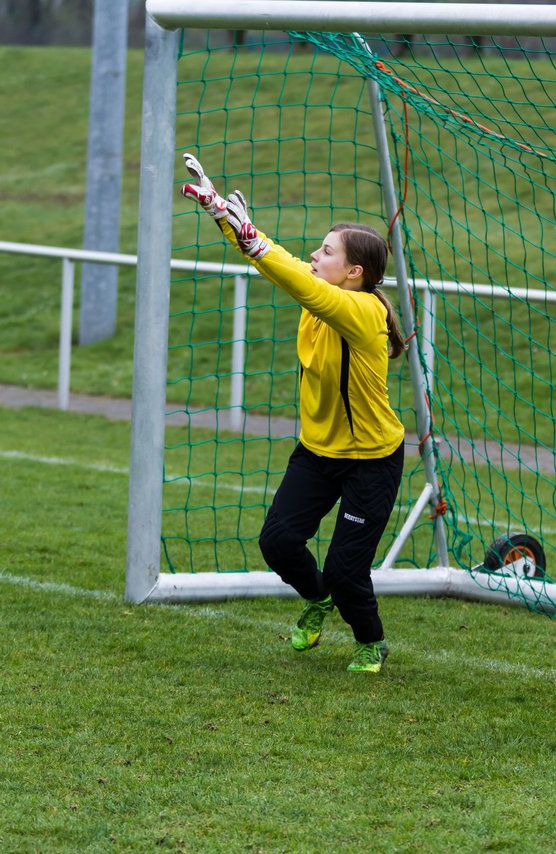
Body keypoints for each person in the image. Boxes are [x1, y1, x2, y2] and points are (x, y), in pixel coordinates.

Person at [180, 153, 408, 674]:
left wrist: (244, 229)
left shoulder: (364, 310)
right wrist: (227, 221)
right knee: (278, 543)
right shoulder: (322, 296)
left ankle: (370, 642)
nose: (314, 255)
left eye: (326, 252)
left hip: (372, 460)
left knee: (348, 571)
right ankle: (316, 599)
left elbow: (295, 278)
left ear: (355, 272)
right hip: (317, 450)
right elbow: (284, 265)